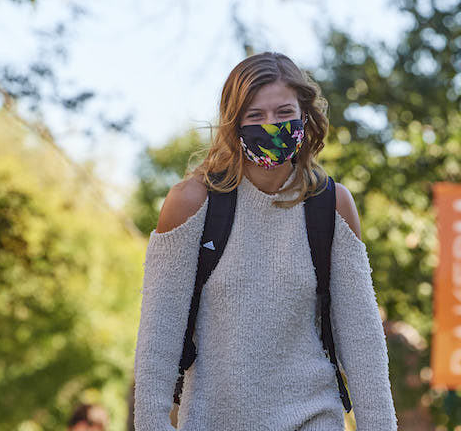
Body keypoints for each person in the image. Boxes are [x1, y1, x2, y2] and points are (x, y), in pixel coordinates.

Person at [132, 52, 397, 430]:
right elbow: (158, 336)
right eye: (255, 116)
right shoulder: (191, 203)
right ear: (234, 123)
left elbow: (362, 340)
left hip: (313, 416)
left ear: (305, 116)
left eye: (283, 112)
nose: (271, 126)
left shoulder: (332, 206)